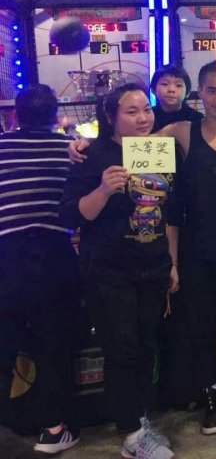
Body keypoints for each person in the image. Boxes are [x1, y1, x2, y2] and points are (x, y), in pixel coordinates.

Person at [69, 62, 216, 436]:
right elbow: (126, 141)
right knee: (200, 327)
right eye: (212, 90)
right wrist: (82, 144)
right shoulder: (180, 131)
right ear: (200, 93)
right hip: (194, 246)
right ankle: (210, 397)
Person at [60, 83, 179, 459]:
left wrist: (171, 261)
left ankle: (139, 420)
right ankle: (130, 433)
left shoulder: (158, 148)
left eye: (146, 109)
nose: (143, 118)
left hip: (152, 266)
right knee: (121, 349)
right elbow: (71, 215)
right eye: (132, 111)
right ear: (110, 116)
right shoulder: (91, 155)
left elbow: (168, 211)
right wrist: (103, 189)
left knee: (144, 347)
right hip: (110, 271)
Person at [0, 85, 81, 455]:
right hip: (53, 253)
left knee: (5, 343)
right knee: (55, 343)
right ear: (54, 117)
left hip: (7, 254)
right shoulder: (69, 149)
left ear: (15, 115)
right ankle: (53, 429)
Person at [149, 65, 203, 130]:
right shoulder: (147, 117)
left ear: (187, 93)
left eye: (178, 85)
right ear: (153, 90)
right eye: (165, 84)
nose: (171, 89)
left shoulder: (197, 119)